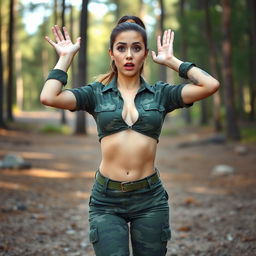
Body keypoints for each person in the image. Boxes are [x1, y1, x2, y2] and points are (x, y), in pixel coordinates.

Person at [40, 15, 220, 256]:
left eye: (136, 48)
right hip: (106, 201)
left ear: (145, 54)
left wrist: (173, 62)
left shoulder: (161, 94)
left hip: (150, 200)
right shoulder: (96, 94)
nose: (128, 55)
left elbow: (210, 85)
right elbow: (49, 97)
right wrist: (65, 58)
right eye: (121, 48)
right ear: (111, 53)